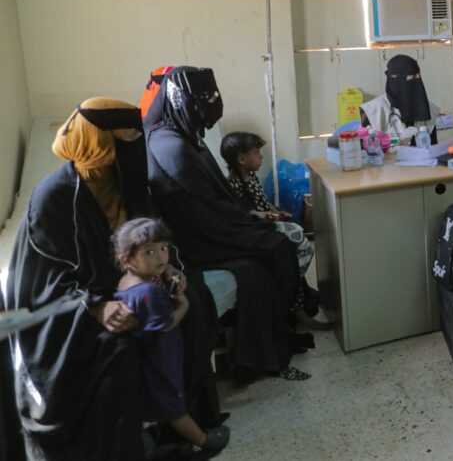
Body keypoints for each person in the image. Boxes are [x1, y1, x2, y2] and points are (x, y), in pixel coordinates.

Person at [3, 97, 222, 459]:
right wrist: (96, 307)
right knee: (116, 350)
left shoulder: (124, 182)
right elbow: (44, 279)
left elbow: (149, 237)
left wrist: (167, 269)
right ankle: (132, 446)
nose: (138, 143)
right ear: (100, 142)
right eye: (129, 136)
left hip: (124, 282)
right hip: (65, 305)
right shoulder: (55, 195)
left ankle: (177, 419)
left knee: (195, 303)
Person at [144, 66, 311, 383]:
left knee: (268, 254)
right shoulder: (171, 146)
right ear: (183, 100)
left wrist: (248, 215)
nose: (213, 103)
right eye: (205, 97)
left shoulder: (186, 135)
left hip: (214, 224)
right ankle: (274, 340)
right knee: (277, 248)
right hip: (200, 238)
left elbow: (215, 196)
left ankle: (276, 335)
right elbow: (198, 211)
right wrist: (245, 220)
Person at [113, 218, 230, 458]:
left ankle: (159, 444)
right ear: (126, 259)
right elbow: (165, 325)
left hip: (146, 356)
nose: (161, 257)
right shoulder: (147, 292)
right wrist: (183, 305)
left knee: (160, 401)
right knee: (173, 404)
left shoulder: (127, 282)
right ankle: (204, 441)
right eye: (150, 252)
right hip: (162, 355)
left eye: (164, 248)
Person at [220, 131, 317, 314]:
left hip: (269, 226)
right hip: (259, 233)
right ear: (242, 159)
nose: (261, 156)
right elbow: (247, 217)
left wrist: (277, 213)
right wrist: (268, 216)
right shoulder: (232, 186)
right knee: (300, 244)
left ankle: (296, 293)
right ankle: (291, 294)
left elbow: (264, 203)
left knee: (296, 243)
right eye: (256, 153)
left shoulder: (252, 178)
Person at [360, 54, 440, 145]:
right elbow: (367, 149)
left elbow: (434, 147)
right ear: (397, 80)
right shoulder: (373, 111)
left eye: (419, 76)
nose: (418, 82)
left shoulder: (429, 109)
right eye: (413, 77)